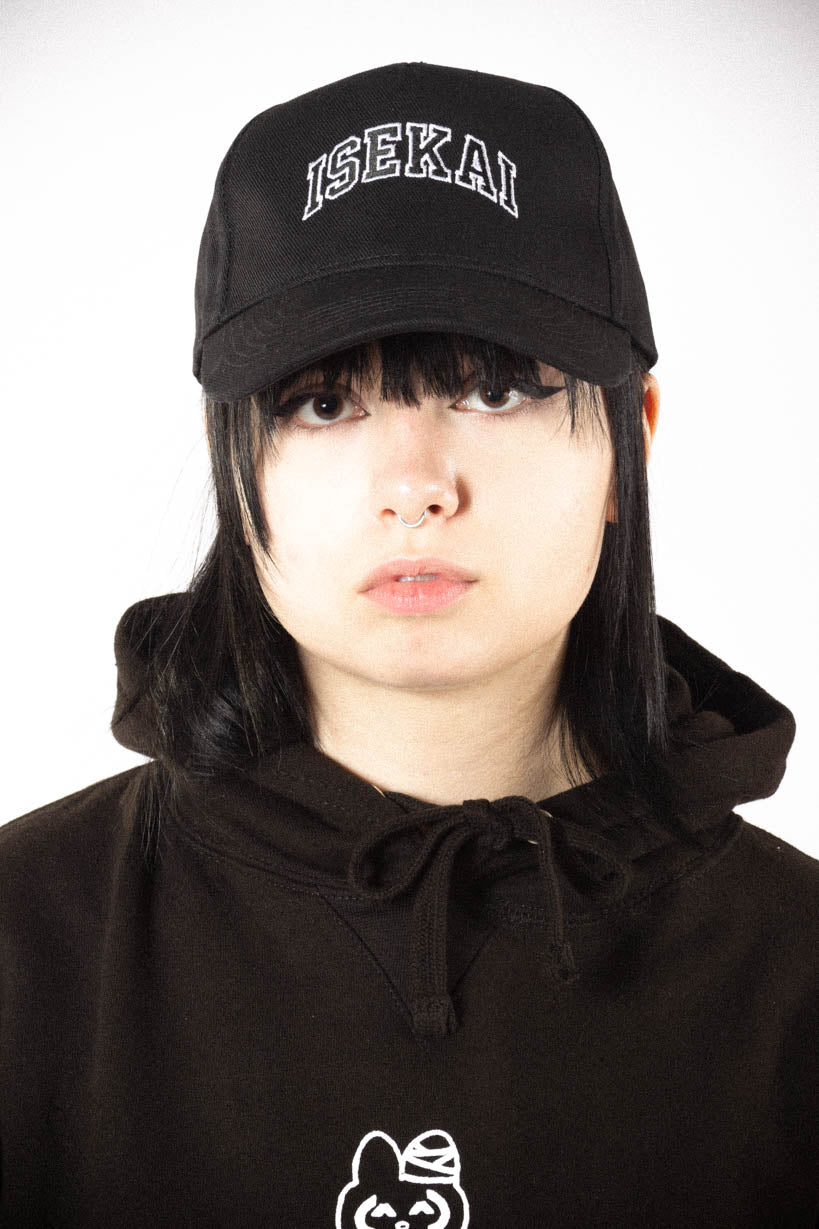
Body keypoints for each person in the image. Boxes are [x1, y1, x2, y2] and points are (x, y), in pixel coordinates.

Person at [1, 61, 816, 1227]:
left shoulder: (793, 974)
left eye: (496, 391)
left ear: (628, 445)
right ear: (235, 464)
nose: (415, 485)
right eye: (324, 403)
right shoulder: (29, 942)